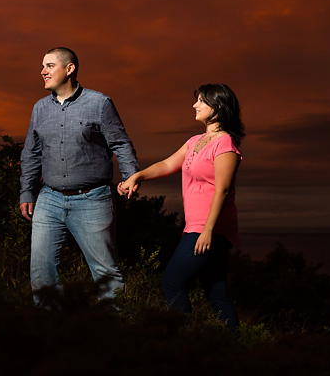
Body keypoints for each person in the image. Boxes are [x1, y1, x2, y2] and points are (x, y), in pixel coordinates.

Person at [118, 83, 244, 330]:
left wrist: (208, 230)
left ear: (218, 106)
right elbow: (166, 165)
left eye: (201, 101)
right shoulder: (195, 140)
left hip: (211, 229)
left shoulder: (225, 144)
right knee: (216, 292)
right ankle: (232, 349)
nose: (194, 105)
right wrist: (137, 176)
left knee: (172, 282)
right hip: (198, 227)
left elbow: (223, 189)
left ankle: (183, 340)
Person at [20, 47, 139, 305]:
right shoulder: (39, 109)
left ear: (69, 68)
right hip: (48, 199)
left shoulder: (99, 104)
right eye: (43, 66)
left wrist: (131, 176)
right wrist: (27, 191)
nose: (43, 71)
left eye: (50, 65)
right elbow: (31, 153)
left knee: (105, 273)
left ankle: (118, 335)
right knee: (41, 273)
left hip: (92, 200)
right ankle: (54, 333)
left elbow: (120, 143)